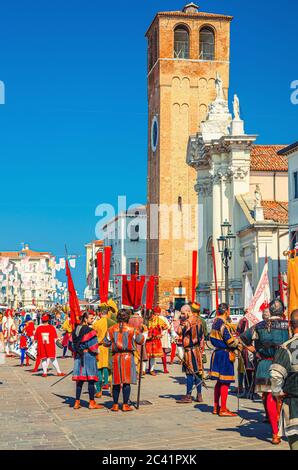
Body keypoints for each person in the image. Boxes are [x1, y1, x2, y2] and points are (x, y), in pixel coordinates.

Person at [240, 298, 289, 445]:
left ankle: (275, 434)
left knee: (269, 398)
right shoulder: (288, 326)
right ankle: (281, 429)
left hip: (265, 364)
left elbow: (243, 339)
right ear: (283, 311)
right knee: (283, 398)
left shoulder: (259, 326)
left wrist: (256, 352)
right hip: (284, 364)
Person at [104, 309, 145, 412]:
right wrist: (141, 331)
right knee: (126, 382)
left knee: (116, 382)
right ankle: (125, 405)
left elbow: (105, 343)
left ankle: (115, 405)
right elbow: (140, 341)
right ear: (127, 318)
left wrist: (113, 341)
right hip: (128, 357)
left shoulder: (111, 329)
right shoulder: (132, 329)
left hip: (116, 357)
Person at [270, 309, 298, 450]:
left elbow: (276, 374)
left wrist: (277, 392)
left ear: (290, 325)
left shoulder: (287, 347)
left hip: (294, 405)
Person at [209, 303, 242, 417]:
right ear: (227, 311)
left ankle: (216, 406)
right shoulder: (222, 324)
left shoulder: (215, 322)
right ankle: (223, 408)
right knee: (225, 382)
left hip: (217, 353)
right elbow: (230, 341)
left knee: (219, 381)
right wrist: (239, 344)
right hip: (224, 354)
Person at [71, 311, 103, 410]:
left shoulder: (75, 329)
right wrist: (97, 351)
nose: (92, 320)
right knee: (91, 380)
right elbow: (93, 346)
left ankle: (77, 402)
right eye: (90, 318)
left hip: (78, 356)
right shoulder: (90, 330)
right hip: (88, 356)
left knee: (80, 381)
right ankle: (92, 402)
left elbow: (70, 344)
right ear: (85, 319)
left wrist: (77, 350)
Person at [176, 304, 204, 404]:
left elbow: (178, 331)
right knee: (198, 372)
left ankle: (188, 396)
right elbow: (202, 335)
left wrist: (179, 321)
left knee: (190, 374)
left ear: (188, 312)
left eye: (183, 313)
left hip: (190, 351)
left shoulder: (187, 322)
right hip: (197, 350)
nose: (182, 315)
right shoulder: (199, 320)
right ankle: (199, 395)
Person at [92, 307, 116, 398]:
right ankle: (112, 390)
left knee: (99, 368)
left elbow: (93, 337)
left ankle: (99, 391)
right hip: (110, 348)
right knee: (110, 369)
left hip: (99, 348)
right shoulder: (113, 323)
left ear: (100, 313)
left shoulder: (96, 324)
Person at [34, 314, 65, 378]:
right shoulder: (51, 327)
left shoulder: (39, 328)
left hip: (41, 345)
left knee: (43, 359)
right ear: (48, 320)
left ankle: (44, 373)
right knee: (53, 359)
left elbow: (35, 339)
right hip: (50, 346)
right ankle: (59, 371)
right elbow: (55, 338)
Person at [236, 312, 255, 398]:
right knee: (249, 371)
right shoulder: (245, 320)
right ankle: (249, 390)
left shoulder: (243, 320)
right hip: (252, 348)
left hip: (248, 348)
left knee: (248, 371)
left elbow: (238, 334)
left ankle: (248, 390)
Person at [146, 307, 168, 376]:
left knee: (152, 356)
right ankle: (143, 370)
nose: (154, 315)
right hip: (147, 339)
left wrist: (161, 334)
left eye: (156, 314)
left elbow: (166, 327)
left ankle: (151, 369)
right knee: (145, 355)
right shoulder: (147, 320)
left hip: (155, 340)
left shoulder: (159, 320)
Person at [128, 308, 148, 377]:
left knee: (133, 356)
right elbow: (144, 329)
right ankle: (138, 372)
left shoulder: (129, 319)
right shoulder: (141, 319)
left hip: (131, 339)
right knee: (139, 357)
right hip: (139, 338)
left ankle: (133, 372)